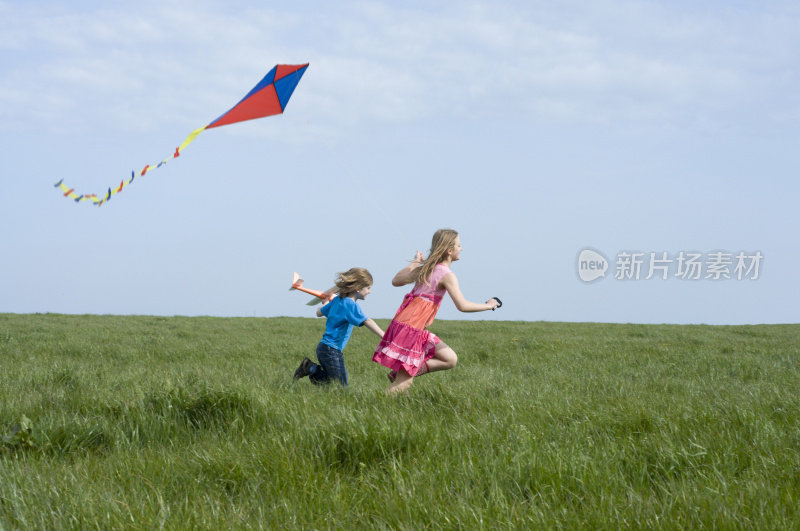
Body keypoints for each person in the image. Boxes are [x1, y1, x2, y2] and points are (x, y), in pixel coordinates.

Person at [372, 228, 500, 394]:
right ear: (449, 250)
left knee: (450, 359)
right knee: (404, 384)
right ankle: (375, 405)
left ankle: (399, 374)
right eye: (459, 245)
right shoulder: (446, 275)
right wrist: (489, 306)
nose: (461, 248)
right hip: (413, 327)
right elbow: (462, 306)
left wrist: (416, 262)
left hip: (407, 324)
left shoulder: (426, 269)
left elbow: (396, 280)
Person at [293, 267, 384, 387]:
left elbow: (319, 313)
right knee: (341, 387)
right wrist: (384, 336)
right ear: (357, 288)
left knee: (331, 382)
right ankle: (310, 368)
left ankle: (310, 368)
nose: (369, 291)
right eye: (368, 288)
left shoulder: (337, 301)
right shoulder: (350, 305)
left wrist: (325, 302)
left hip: (324, 348)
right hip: (332, 350)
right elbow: (367, 321)